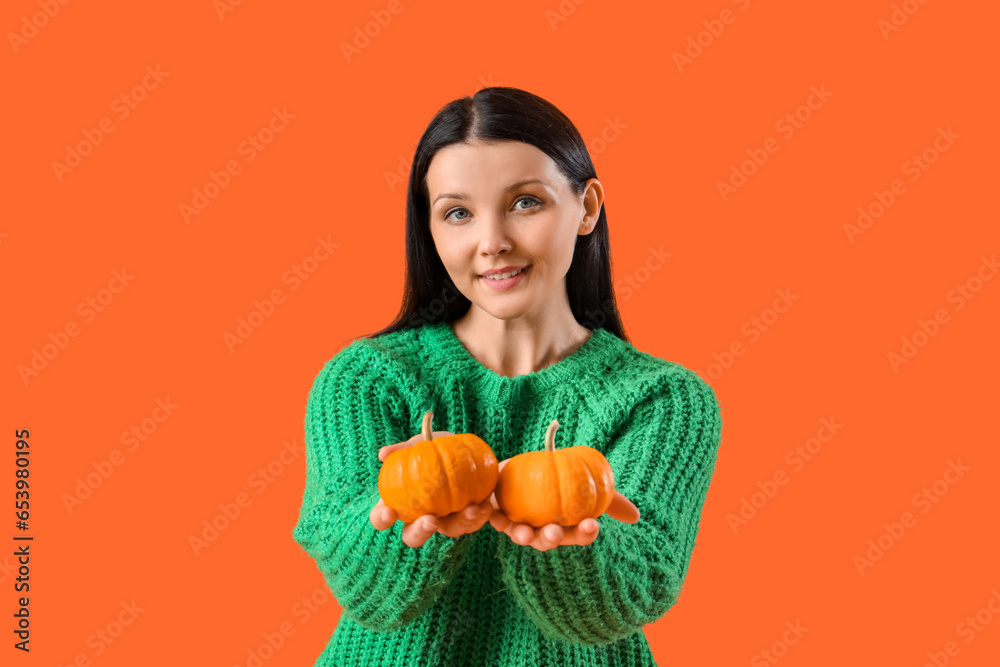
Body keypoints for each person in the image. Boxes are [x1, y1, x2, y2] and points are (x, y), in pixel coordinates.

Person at [292, 86, 723, 667]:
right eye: (458, 213)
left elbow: (635, 591)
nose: (492, 242)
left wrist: (566, 544)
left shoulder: (663, 399)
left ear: (587, 207)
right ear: (431, 229)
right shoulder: (367, 379)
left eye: (526, 203)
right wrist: (403, 519)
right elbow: (359, 585)